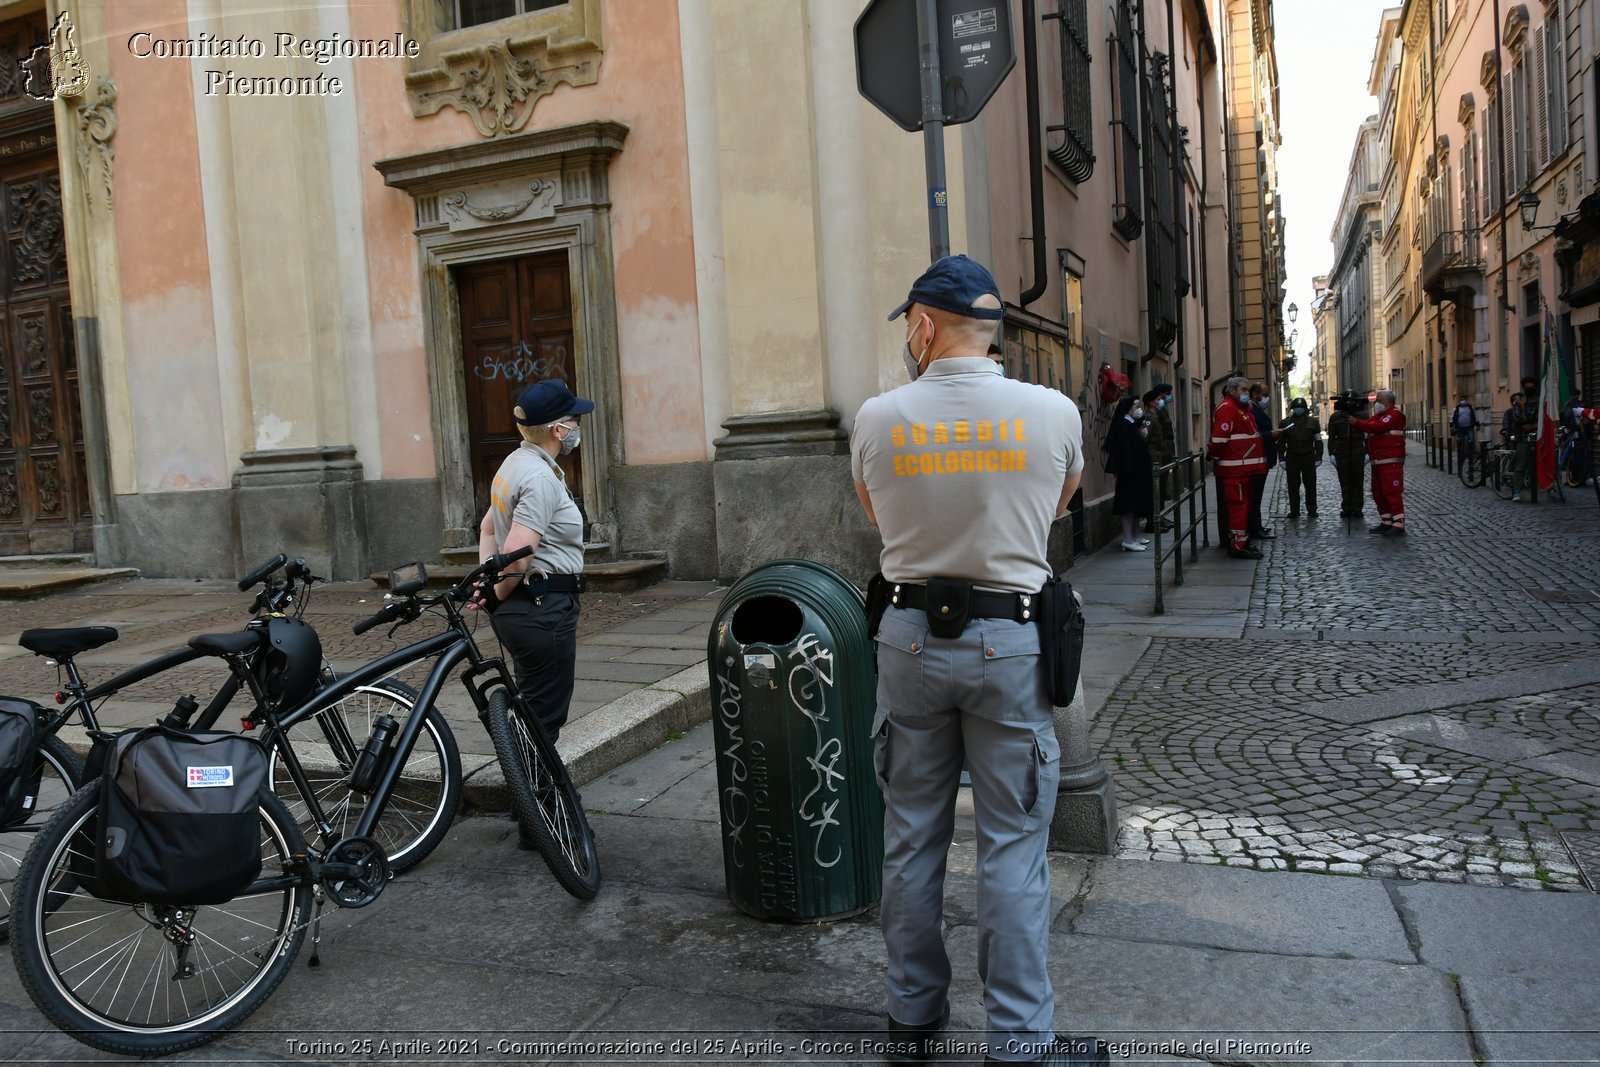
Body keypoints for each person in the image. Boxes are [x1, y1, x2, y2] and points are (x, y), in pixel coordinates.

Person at [851, 255, 1105, 1067]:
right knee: (1012, 846)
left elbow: (880, 519)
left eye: (909, 326)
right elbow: (1053, 510)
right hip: (1011, 644)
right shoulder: (1053, 411)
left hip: (911, 642)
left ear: (923, 326)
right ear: (991, 328)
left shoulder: (878, 417)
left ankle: (912, 1020)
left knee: (912, 836)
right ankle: (1020, 1044)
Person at [477, 378, 591, 742]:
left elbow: (488, 529)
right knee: (544, 721)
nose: (577, 428)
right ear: (559, 429)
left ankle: (528, 788)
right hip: (543, 611)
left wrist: (487, 588)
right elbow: (518, 557)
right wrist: (494, 594)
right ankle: (536, 795)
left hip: (523, 610)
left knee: (531, 710)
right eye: (575, 421)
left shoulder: (514, 463)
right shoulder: (540, 476)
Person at [1208, 376, 1265, 559]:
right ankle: (1238, 545)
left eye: (1247, 390)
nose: (1246, 393)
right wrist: (1216, 457)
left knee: (1243, 506)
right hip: (1235, 470)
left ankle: (1241, 540)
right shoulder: (1228, 409)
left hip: (1243, 469)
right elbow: (1218, 440)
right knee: (1238, 507)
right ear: (1232, 391)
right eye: (1243, 390)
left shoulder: (1241, 409)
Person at [1348, 387, 1408, 536]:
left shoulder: (1394, 414)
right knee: (1378, 492)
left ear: (1387, 402)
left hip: (1391, 460)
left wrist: (1355, 422)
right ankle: (1386, 521)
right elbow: (1369, 423)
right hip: (1379, 460)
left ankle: (1398, 524)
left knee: (1392, 492)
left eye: (1379, 401)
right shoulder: (1380, 415)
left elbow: (1376, 427)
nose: (1377, 404)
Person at [1105, 394, 1154, 550]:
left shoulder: (1130, 423)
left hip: (1135, 472)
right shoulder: (1125, 425)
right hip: (1129, 474)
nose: (1139, 410)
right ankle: (1128, 539)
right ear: (1129, 408)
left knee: (1135, 505)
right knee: (1128, 506)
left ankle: (1134, 536)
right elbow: (1126, 452)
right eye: (1136, 406)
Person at [1279, 396, 1322, 518]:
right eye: (1297, 407)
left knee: (1310, 485)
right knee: (1293, 485)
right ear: (1293, 408)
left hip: (1308, 456)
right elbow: (1281, 442)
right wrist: (1281, 458)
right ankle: (1294, 510)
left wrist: (1319, 456)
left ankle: (1312, 509)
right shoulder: (1285, 423)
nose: (1299, 409)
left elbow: (1318, 440)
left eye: (1301, 407)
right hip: (1292, 456)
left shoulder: (1313, 422)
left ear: (1305, 409)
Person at [1142, 385, 1176, 534]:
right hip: (1153, 458)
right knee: (1154, 491)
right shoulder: (1150, 417)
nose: (1162, 400)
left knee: (1159, 490)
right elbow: (1144, 437)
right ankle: (1153, 521)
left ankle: (1158, 518)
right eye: (1159, 398)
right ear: (1151, 402)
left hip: (1159, 456)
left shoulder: (1155, 414)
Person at [1247, 382, 1278, 540]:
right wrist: (1271, 434)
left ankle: (1257, 526)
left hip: (1263, 459)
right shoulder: (1252, 410)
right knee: (1254, 496)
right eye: (1265, 395)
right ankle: (1254, 528)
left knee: (1257, 496)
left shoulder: (1256, 409)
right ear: (1255, 395)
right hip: (1258, 459)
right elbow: (1255, 435)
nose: (1267, 398)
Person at [1327, 396, 1367, 518]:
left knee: (1358, 481)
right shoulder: (1335, 417)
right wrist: (1331, 453)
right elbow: (1332, 437)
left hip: (1357, 449)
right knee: (1344, 481)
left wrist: (1368, 452)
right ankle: (1347, 507)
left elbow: (1368, 434)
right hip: (1342, 450)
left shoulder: (1363, 415)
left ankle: (1357, 507)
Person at [1509, 383, 1539, 502]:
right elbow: (1518, 418)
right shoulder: (1518, 403)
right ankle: (1517, 491)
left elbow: (1543, 418)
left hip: (1538, 438)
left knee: (1543, 463)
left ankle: (1550, 488)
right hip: (1522, 438)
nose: (1530, 388)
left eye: (1532, 386)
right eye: (1527, 386)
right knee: (1520, 466)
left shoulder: (1541, 403)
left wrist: (1533, 425)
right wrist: (1534, 422)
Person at [1450, 396, 1477, 466]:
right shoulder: (1456, 409)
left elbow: (1474, 417)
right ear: (1460, 401)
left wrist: (1477, 424)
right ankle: (1462, 455)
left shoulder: (1470, 408)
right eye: (1462, 400)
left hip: (1469, 427)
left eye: (1464, 399)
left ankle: (1470, 454)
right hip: (1460, 428)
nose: (1463, 401)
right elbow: (1452, 418)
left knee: (1472, 440)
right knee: (1461, 442)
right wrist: (1451, 427)